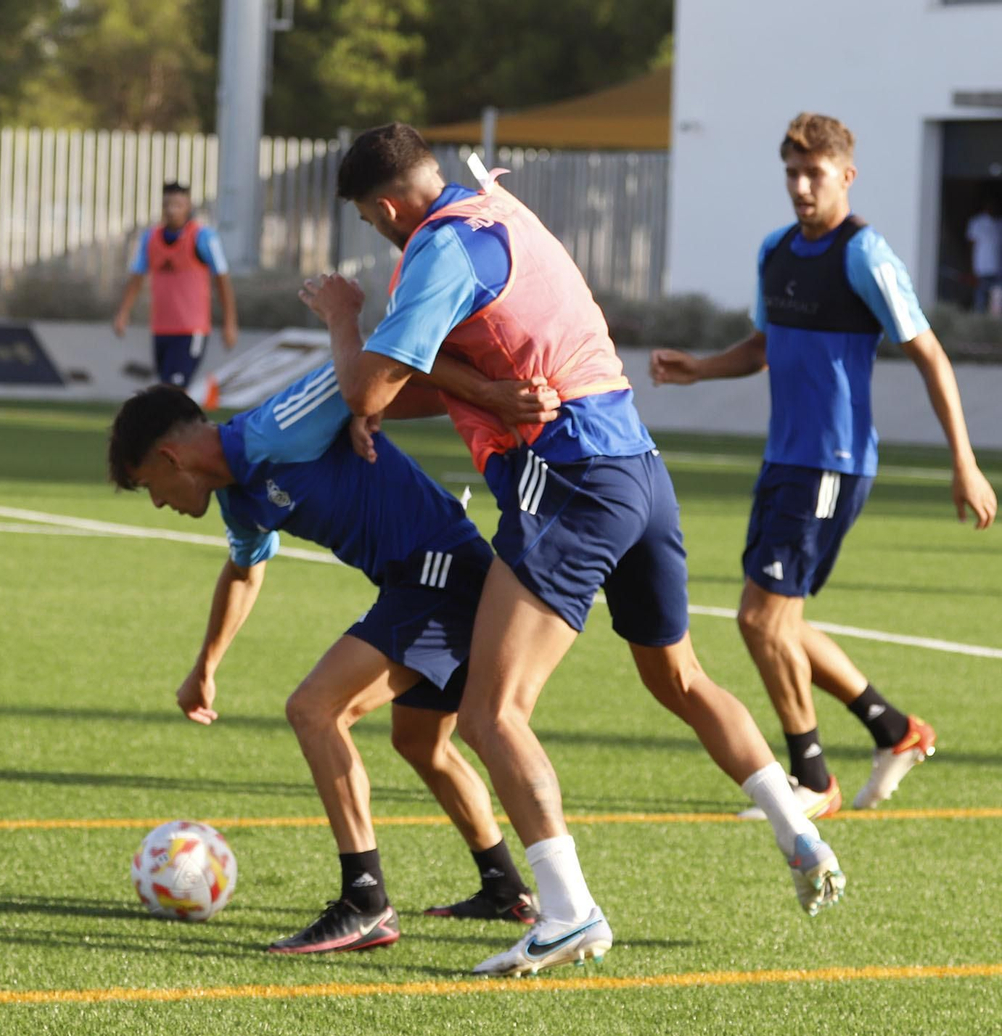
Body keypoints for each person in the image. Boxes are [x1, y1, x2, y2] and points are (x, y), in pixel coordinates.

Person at [300, 122, 844, 979]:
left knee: (490, 712)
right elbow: (426, 395)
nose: (377, 234)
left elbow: (368, 383)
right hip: (637, 469)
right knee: (680, 678)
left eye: (373, 222)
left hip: (570, 477)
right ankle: (798, 830)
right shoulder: (500, 209)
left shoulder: (440, 249)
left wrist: (344, 318)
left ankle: (567, 912)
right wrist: (468, 386)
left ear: (386, 204)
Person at [108, 367, 556, 953]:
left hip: (440, 571)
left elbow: (380, 371)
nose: (161, 502)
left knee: (315, 710)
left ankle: (365, 901)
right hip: (417, 580)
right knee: (419, 741)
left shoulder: (273, 427)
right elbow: (245, 572)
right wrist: (205, 667)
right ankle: (504, 887)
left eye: (150, 487)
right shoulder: (240, 503)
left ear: (170, 458)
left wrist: (493, 395)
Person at [651, 113, 996, 815]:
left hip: (832, 464)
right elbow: (763, 347)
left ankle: (813, 780)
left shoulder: (865, 255)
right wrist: (700, 370)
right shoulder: (776, 250)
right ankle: (893, 731)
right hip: (785, 459)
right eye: (792, 173)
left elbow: (929, 354)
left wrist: (964, 461)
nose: (802, 187)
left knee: (761, 622)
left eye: (815, 173)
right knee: (780, 620)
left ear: (846, 174)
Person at [112, 182, 239, 389]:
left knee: (173, 391)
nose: (172, 210)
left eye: (178, 205)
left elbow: (222, 279)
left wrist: (230, 323)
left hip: (191, 329)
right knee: (168, 391)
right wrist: (123, 313)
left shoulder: (203, 237)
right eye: (167, 205)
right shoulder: (150, 238)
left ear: (188, 206)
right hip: (161, 328)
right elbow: (137, 277)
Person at [965, 195, 1001, 316]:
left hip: (997, 268)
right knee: (980, 297)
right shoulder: (977, 223)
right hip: (981, 266)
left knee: (996, 300)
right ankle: (979, 320)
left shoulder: (998, 224)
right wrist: (971, 266)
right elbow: (971, 245)